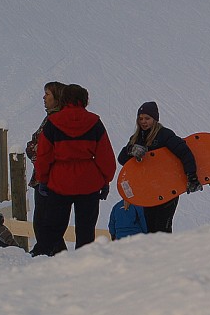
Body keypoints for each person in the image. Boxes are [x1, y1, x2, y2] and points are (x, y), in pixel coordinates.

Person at [34, 84, 117, 255]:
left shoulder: (52, 123)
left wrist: (43, 179)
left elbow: (43, 156)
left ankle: (50, 263)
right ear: (84, 100)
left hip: (60, 183)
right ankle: (84, 267)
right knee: (86, 231)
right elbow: (106, 156)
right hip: (88, 183)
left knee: (54, 230)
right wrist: (105, 180)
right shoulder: (94, 122)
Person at [117, 101, 201, 234]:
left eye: (147, 118)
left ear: (155, 119)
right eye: (140, 118)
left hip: (167, 189)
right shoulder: (136, 138)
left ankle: (166, 254)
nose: (143, 122)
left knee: (162, 229)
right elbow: (122, 160)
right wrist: (130, 149)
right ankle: (156, 254)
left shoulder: (164, 135)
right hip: (148, 190)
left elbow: (185, 153)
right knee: (151, 230)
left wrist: (192, 176)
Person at [25, 81, 67, 256]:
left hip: (49, 178)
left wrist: (32, 148)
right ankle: (55, 253)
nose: (44, 97)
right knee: (44, 221)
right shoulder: (50, 117)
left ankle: (50, 253)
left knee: (45, 222)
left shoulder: (56, 120)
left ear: (57, 97)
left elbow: (43, 149)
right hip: (42, 176)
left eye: (48, 94)